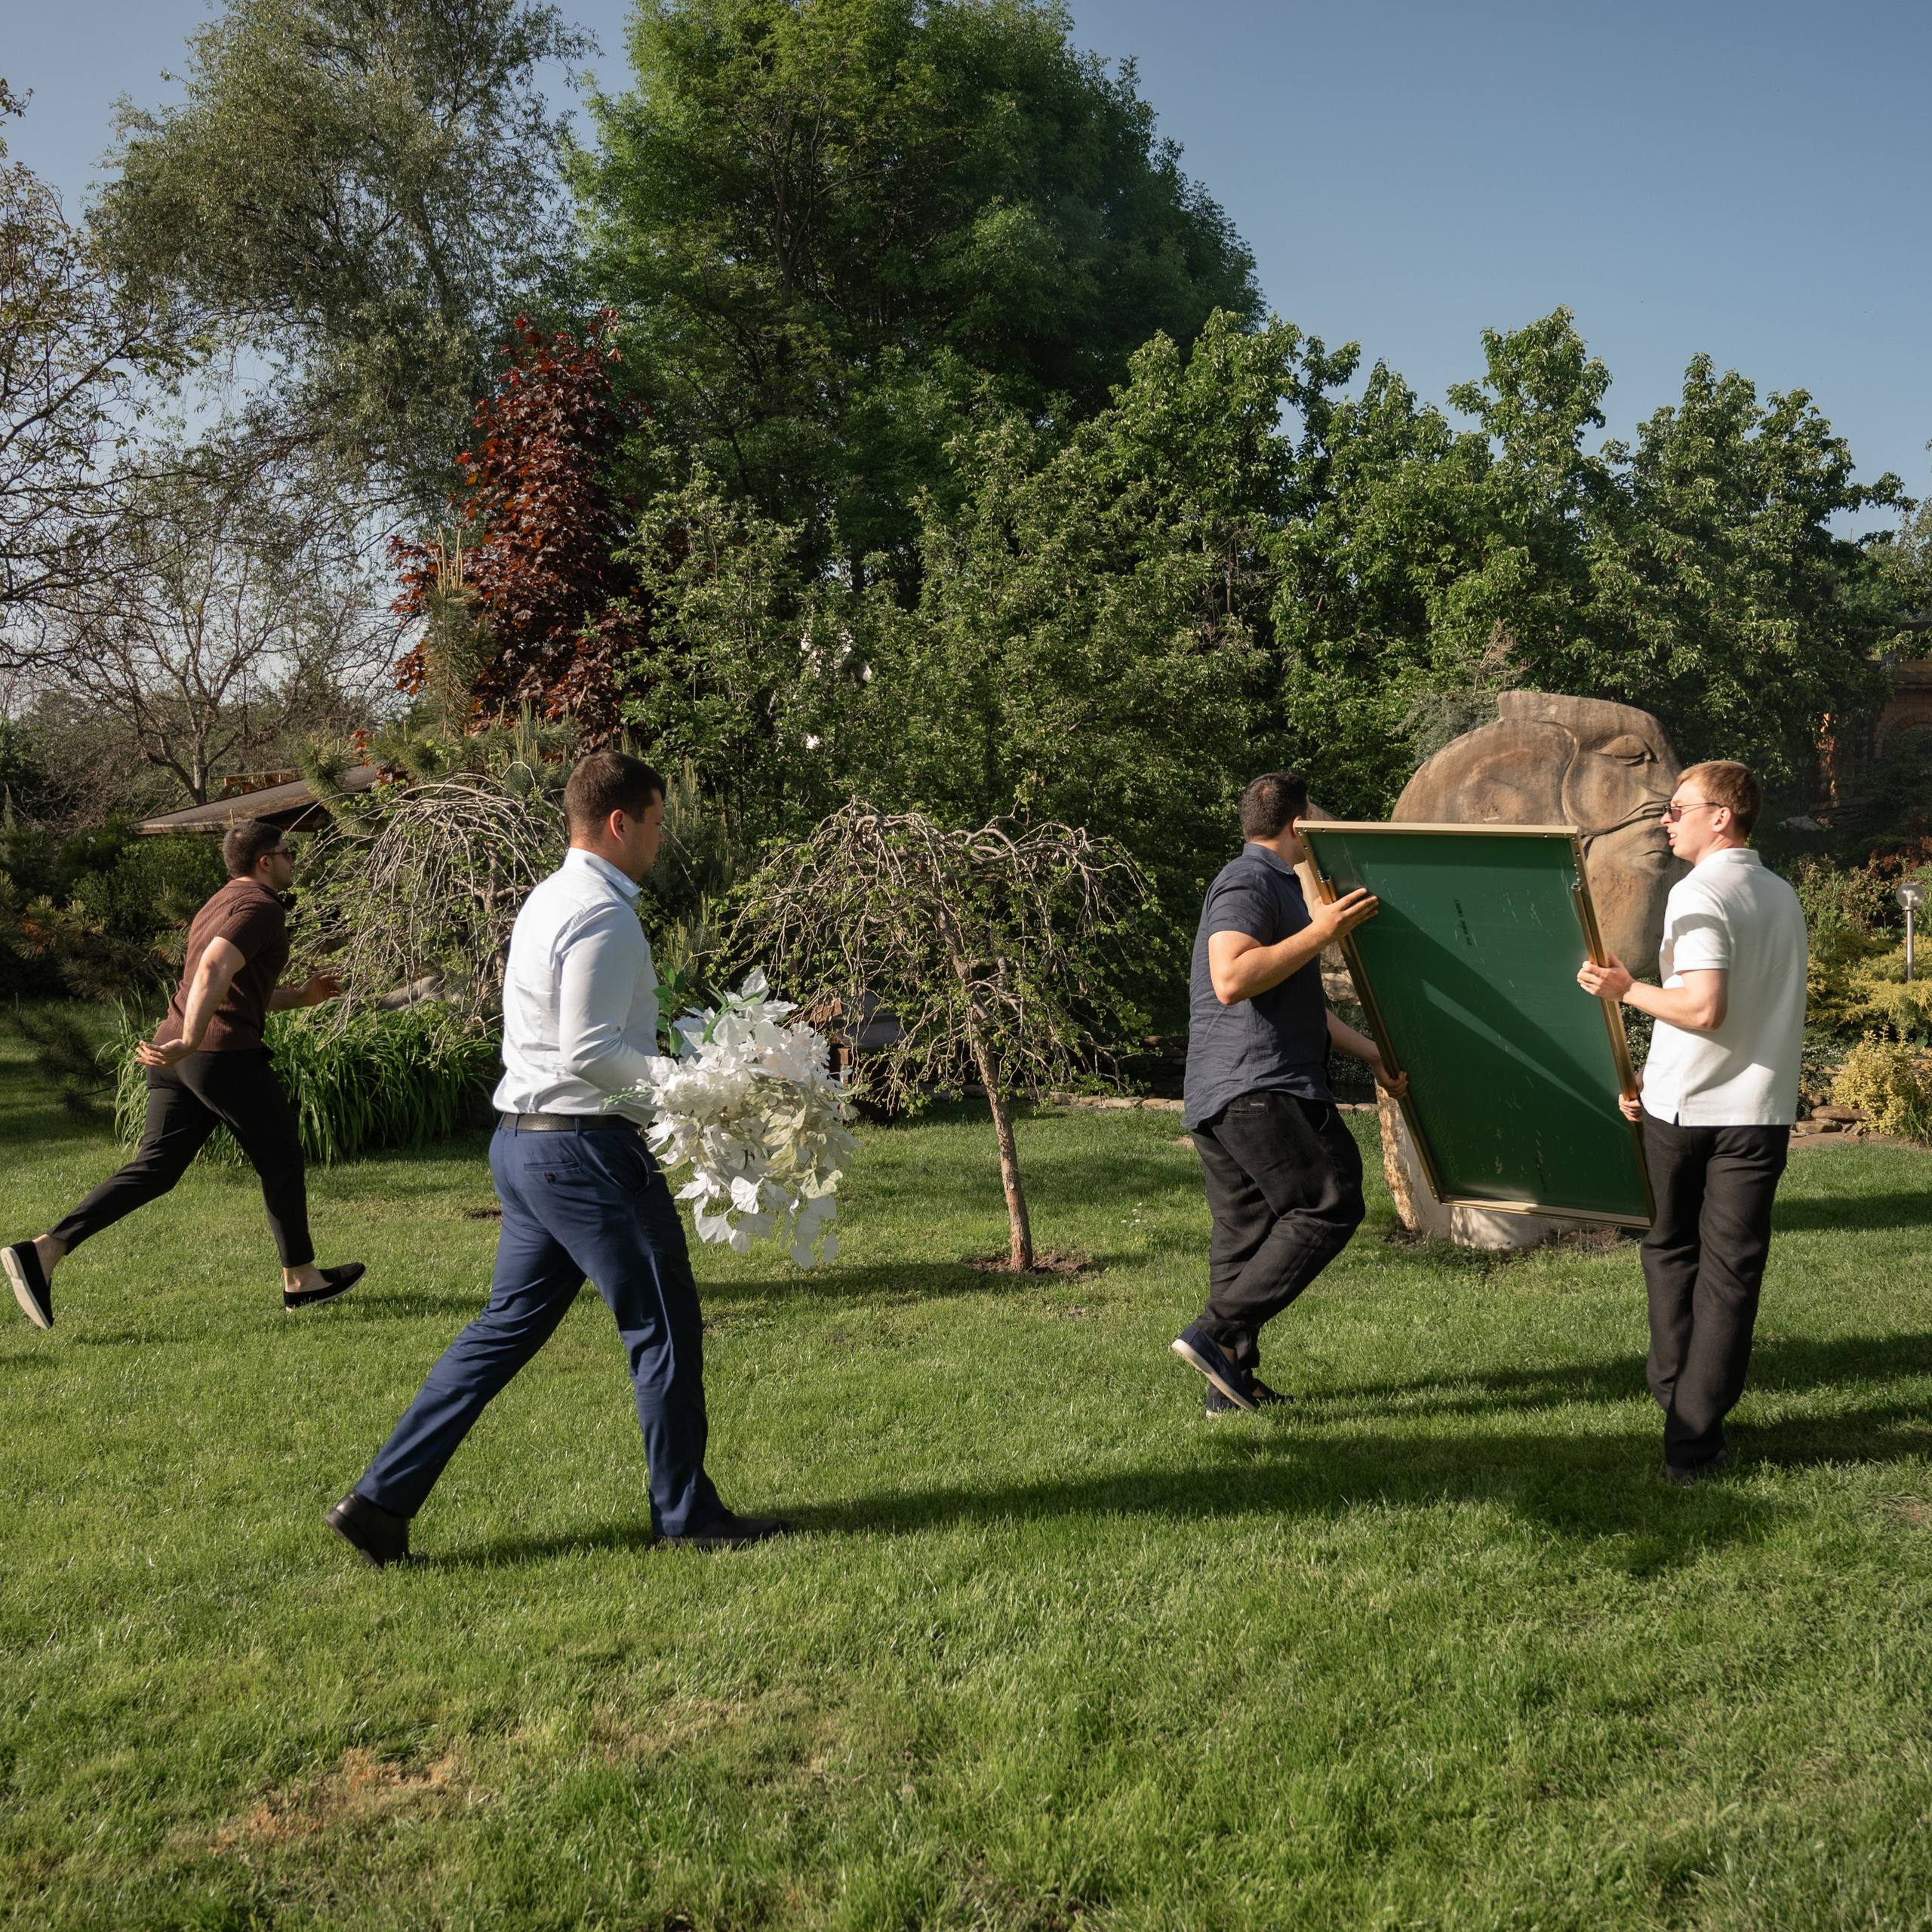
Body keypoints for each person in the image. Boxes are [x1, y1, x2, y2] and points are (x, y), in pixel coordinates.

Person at [325, 751, 787, 1567]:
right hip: (584, 1153)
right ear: (619, 823)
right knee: (664, 1329)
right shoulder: (603, 913)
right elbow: (590, 1051)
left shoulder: (548, 898)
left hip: (525, 1144)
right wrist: (696, 1088)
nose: (662, 838)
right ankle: (687, 1517)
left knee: (503, 1331)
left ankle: (378, 1503)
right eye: (656, 822)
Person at [2, 819, 361, 1331]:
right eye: (288, 853)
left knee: (157, 1167)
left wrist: (300, 998)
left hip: (178, 1053)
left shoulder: (220, 902)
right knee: (281, 1158)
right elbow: (214, 968)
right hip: (219, 1054)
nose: (293, 861)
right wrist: (192, 1039)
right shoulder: (261, 907)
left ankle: (46, 1249)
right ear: (265, 862)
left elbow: (227, 988)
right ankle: (302, 1279)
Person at [1577, 759, 1806, 1484]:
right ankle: (1696, 1435)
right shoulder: (1781, 894)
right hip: (1760, 1113)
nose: (1666, 820)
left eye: (1678, 809)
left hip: (1688, 1117)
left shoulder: (1699, 892)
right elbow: (1735, 1010)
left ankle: (1680, 1408)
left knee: (1672, 1252)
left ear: (1722, 816)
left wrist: (1624, 988)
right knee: (1732, 1273)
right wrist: (1655, 1070)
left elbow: (1704, 1008)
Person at [1171, 771, 1407, 1413]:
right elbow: (1231, 977)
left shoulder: (1273, 888)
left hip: (1220, 1092)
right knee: (1331, 1200)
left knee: (1245, 1237)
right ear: (1299, 823)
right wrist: (1322, 933)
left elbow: (1301, 1007)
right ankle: (1215, 1332)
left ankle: (1230, 1385)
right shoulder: (1250, 879)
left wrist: (1374, 1053)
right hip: (1262, 1083)